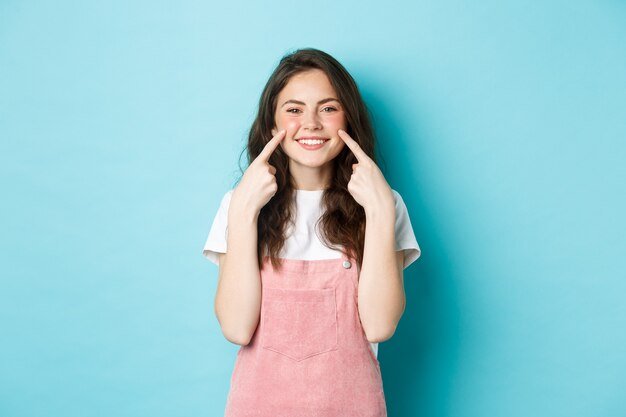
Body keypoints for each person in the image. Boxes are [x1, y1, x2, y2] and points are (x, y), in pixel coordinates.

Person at [201, 47, 421, 417]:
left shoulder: (384, 203)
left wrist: (380, 212)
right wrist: (242, 215)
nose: (312, 123)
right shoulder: (238, 204)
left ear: (348, 120)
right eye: (294, 109)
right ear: (272, 125)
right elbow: (237, 328)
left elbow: (381, 325)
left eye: (329, 108)